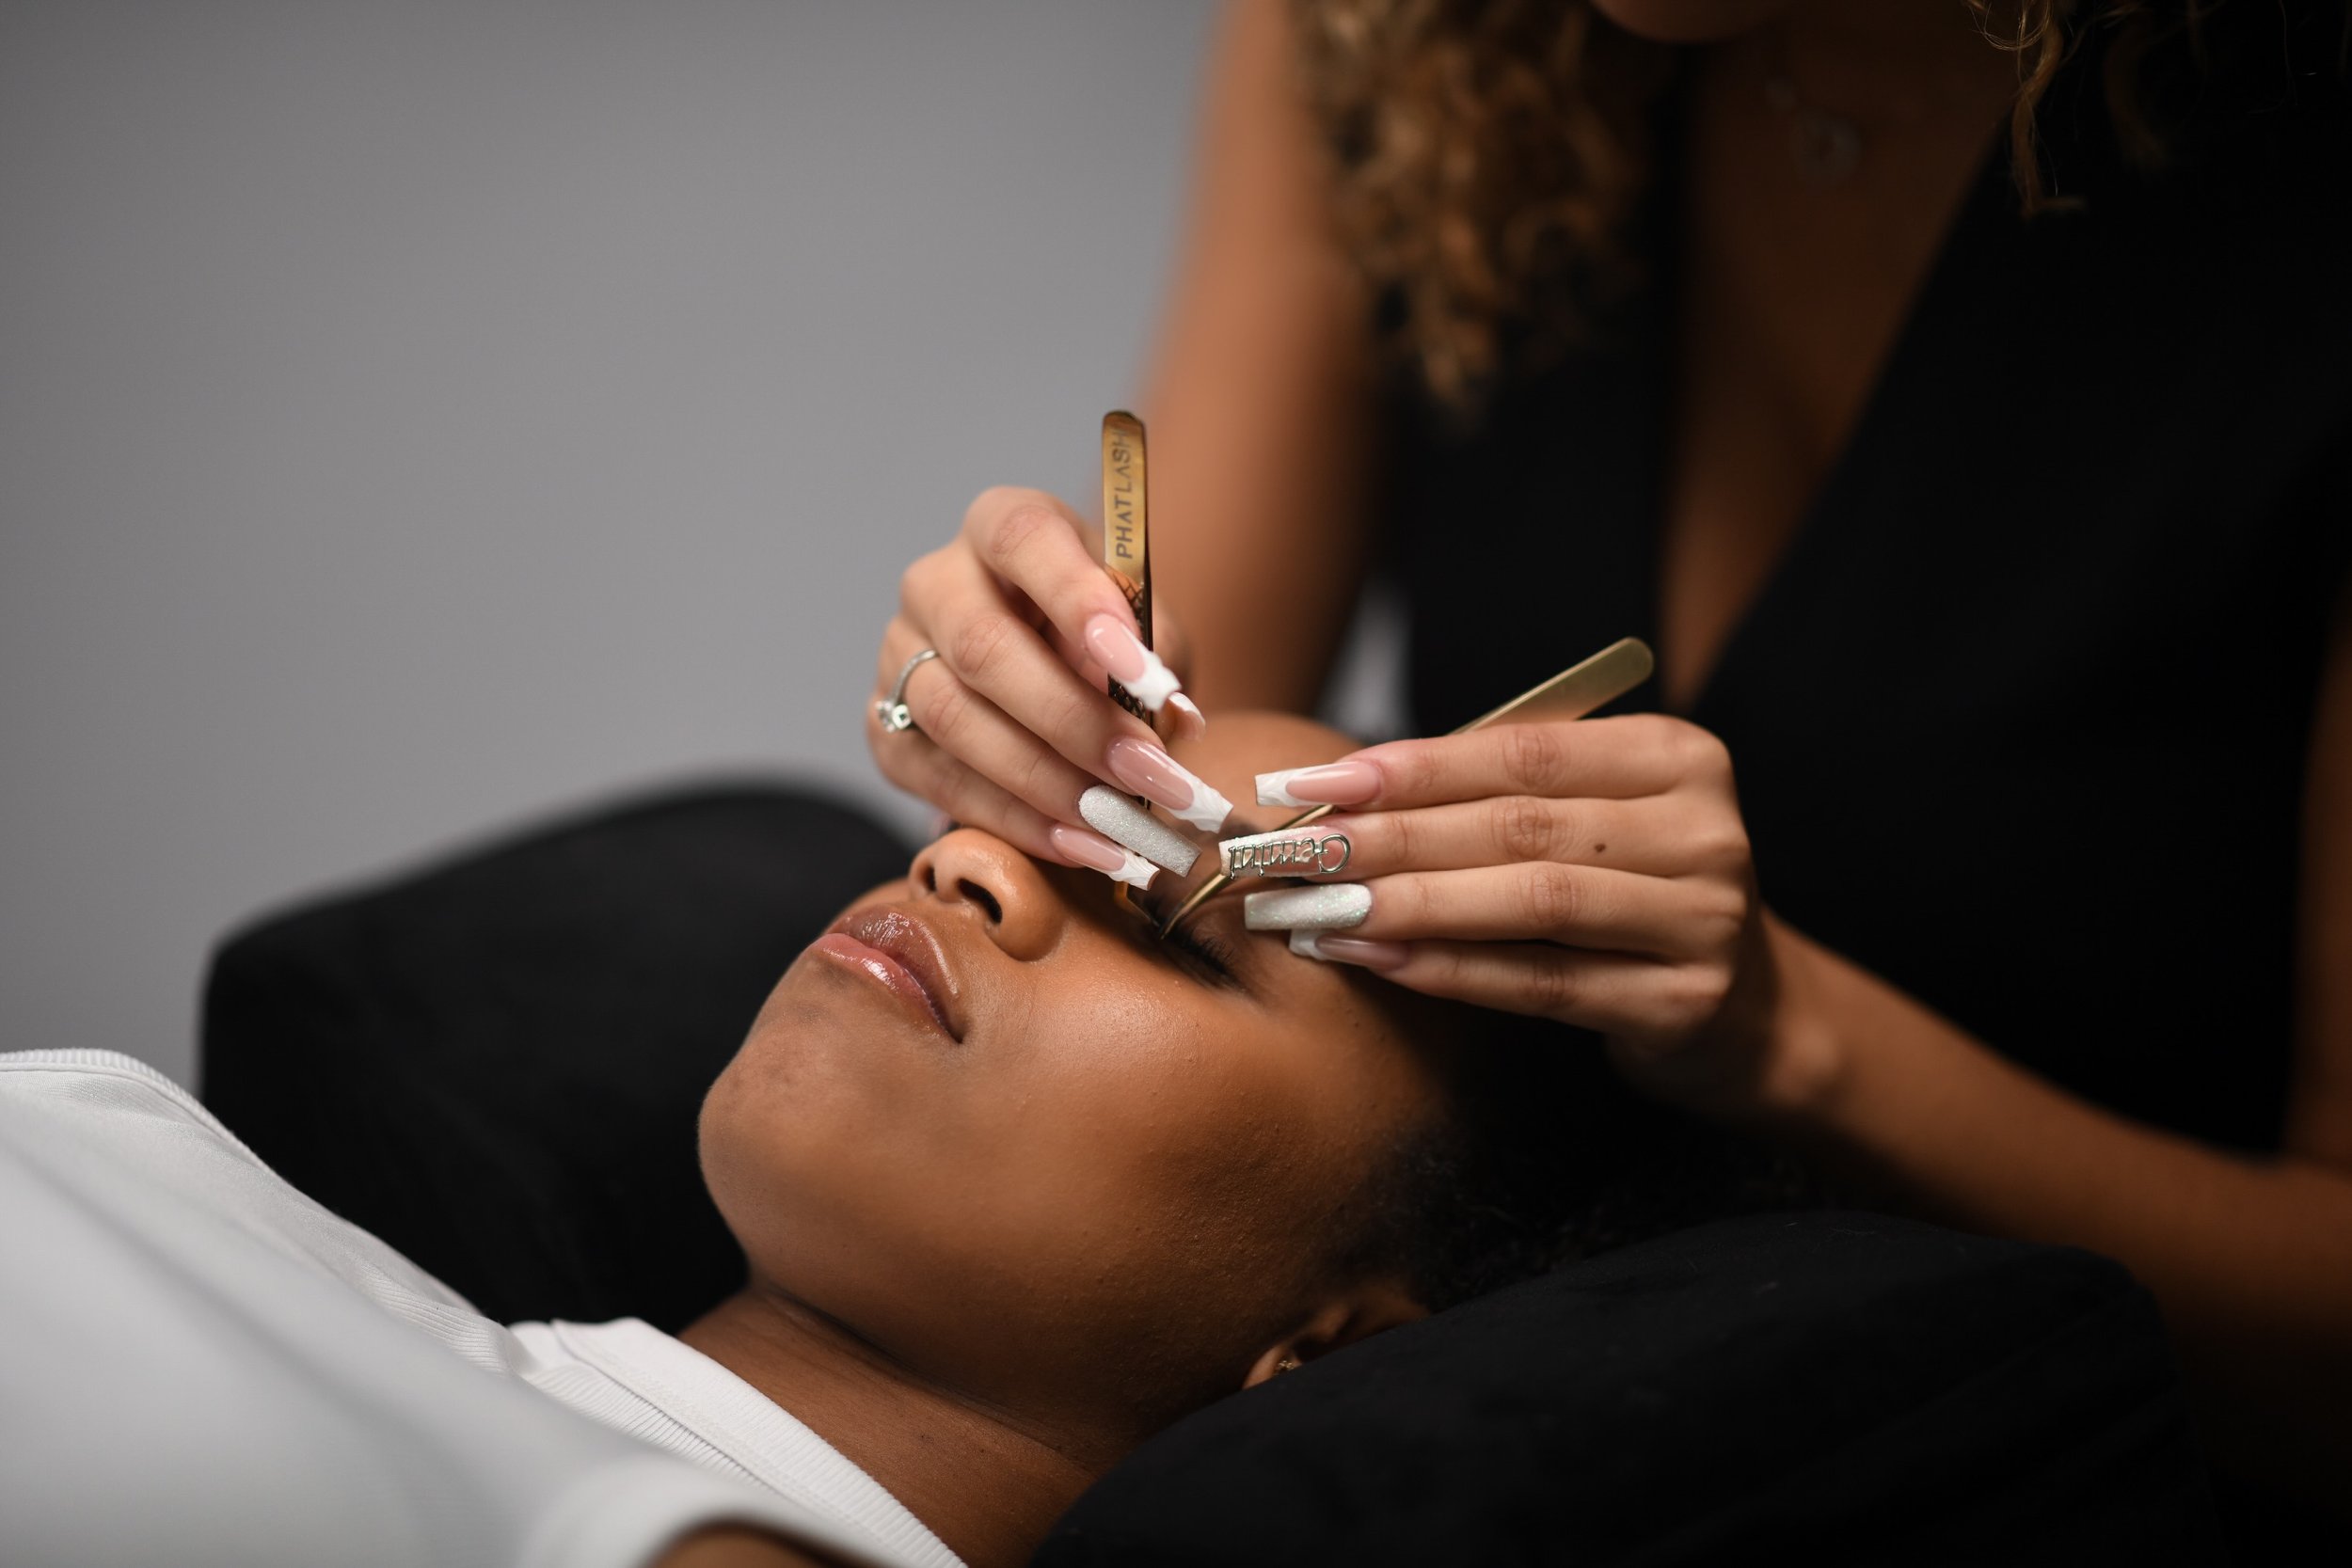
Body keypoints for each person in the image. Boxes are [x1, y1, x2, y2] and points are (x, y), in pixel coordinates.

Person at [864, 0, 2352, 1524]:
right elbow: (1165, 745)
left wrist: (1792, 1039)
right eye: (1184, 948)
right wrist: (995, 696)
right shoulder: (1392, 28)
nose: (957, 871)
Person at [1, 713, 1765, 1568]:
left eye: (1169, 929)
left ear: (1317, 1358)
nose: (963, 863)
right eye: (1023, 818)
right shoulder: (230, 1210)